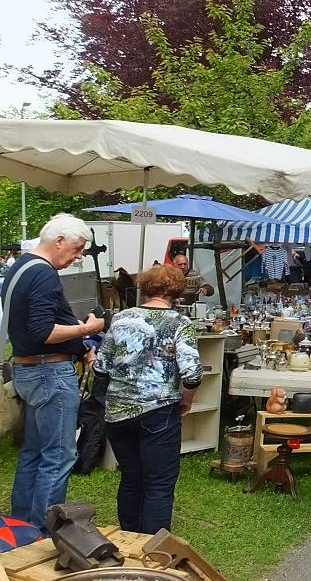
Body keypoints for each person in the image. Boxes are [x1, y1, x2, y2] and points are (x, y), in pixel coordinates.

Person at [5, 214, 104, 531]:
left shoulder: (19, 267)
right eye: (77, 249)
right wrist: (88, 328)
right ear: (59, 240)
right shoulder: (45, 274)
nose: (77, 257)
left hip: (27, 369)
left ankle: (19, 525)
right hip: (49, 372)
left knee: (33, 451)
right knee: (58, 457)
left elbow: (32, 326)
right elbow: (42, 331)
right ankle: (43, 532)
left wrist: (76, 334)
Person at [92, 264, 202, 534]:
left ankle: (129, 538)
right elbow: (193, 374)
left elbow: (101, 367)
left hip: (118, 411)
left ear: (146, 287)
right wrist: (186, 400)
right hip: (158, 409)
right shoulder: (180, 323)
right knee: (158, 484)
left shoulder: (120, 318)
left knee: (131, 478)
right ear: (176, 291)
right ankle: (152, 549)